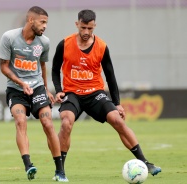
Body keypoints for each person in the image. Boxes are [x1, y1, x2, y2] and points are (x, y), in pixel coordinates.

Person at [51, 9, 161, 178]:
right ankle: (60, 171)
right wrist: (59, 90)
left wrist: (117, 103)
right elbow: (54, 69)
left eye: (90, 28)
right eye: (83, 28)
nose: (86, 32)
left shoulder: (102, 47)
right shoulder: (64, 44)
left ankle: (145, 162)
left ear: (94, 26)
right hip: (72, 93)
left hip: (95, 93)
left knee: (118, 120)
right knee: (66, 123)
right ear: (77, 24)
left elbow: (111, 76)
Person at [0, 6, 68, 182]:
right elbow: (4, 67)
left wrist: (45, 88)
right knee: (20, 121)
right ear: (31, 20)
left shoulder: (44, 42)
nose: (45, 26)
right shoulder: (9, 38)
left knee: (48, 123)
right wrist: (21, 83)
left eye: (46, 23)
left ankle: (60, 171)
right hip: (16, 89)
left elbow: (42, 66)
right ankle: (28, 165)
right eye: (42, 22)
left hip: (37, 87)